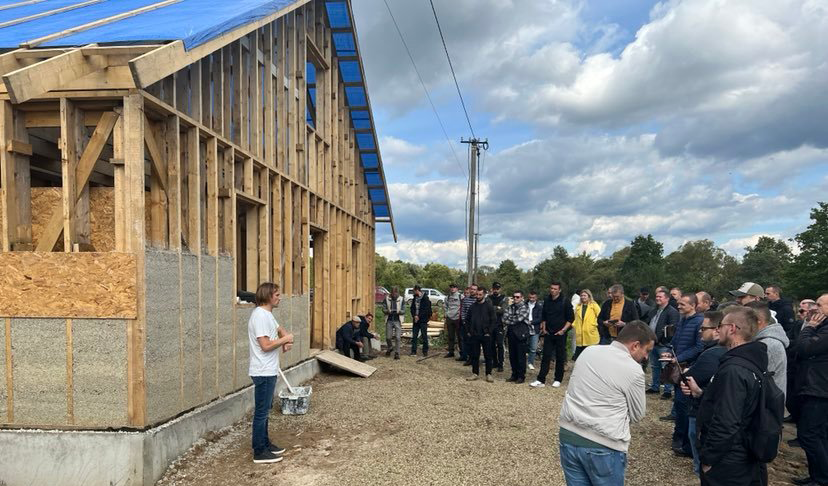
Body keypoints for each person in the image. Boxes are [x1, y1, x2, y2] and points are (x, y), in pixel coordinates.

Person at [558, 321, 655, 486]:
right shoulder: (633, 370)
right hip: (604, 443)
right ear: (635, 345)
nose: (646, 357)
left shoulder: (589, 351)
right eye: (647, 351)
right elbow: (637, 414)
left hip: (569, 435)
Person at [692, 307, 768, 486]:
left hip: (730, 461)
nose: (717, 330)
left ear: (732, 328)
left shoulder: (734, 370)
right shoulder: (752, 360)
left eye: (721, 325)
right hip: (743, 455)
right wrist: (701, 394)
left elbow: (727, 421)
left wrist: (709, 459)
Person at [248, 282, 293, 464]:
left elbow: (279, 329)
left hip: (269, 370)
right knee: (261, 412)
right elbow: (265, 346)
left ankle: (265, 444)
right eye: (276, 295)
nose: (279, 297)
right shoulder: (259, 316)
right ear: (268, 296)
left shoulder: (267, 315)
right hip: (262, 371)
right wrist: (285, 340)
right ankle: (259, 451)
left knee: (265, 411)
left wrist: (284, 339)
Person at [680, 310, 727, 475]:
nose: (699, 332)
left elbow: (689, 378)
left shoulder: (713, 354)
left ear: (716, 330)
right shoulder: (715, 351)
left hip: (701, 411)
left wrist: (686, 371)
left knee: (702, 464)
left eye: (703, 329)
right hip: (708, 409)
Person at [792, 294, 828, 486]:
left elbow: (805, 348)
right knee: (819, 435)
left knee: (809, 435)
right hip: (815, 387)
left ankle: (822, 478)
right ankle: (817, 476)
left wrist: (809, 328)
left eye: (820, 305)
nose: (815, 309)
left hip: (819, 390)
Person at [666, 293, 704, 457]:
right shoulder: (682, 321)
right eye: (678, 304)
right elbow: (675, 341)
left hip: (690, 369)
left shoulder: (699, 322)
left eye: (682, 304)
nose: (679, 306)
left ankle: (685, 441)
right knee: (680, 404)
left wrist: (679, 358)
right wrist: (669, 352)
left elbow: (699, 346)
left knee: (684, 405)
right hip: (678, 368)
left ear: (693, 306)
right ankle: (679, 436)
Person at [530, 281, 575, 389]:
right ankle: (541, 379)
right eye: (551, 288)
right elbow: (544, 316)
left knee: (560, 357)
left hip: (560, 333)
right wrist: (544, 328)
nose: (553, 290)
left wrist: (563, 330)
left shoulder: (565, 301)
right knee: (546, 356)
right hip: (548, 333)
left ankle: (558, 379)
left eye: (555, 289)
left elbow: (571, 318)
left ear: (559, 290)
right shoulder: (547, 300)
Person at [746, 301, 789, 397]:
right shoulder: (761, 342)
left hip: (767, 407)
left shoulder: (769, 345)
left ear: (758, 322)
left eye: (744, 321)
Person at [787, 298, 818, 424]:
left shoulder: (818, 328)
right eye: (799, 310)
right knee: (791, 396)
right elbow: (789, 339)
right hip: (794, 365)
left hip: (807, 368)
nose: (800, 313)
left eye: (802, 310)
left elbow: (806, 345)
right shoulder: (798, 324)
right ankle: (795, 416)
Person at [647, 289, 681, 398]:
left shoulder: (672, 312)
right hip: (653, 343)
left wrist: (663, 340)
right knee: (654, 366)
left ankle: (667, 390)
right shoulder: (653, 311)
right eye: (656, 296)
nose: (657, 298)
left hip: (664, 345)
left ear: (667, 298)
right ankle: (655, 387)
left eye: (660, 297)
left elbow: (673, 329)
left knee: (666, 367)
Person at [465, 286, 497, 382]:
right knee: (475, 355)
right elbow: (467, 320)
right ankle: (475, 373)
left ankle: (488, 374)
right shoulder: (472, 306)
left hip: (486, 335)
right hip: (474, 334)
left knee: (488, 355)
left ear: (484, 295)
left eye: (480, 295)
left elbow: (493, 320)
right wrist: (469, 331)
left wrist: (489, 332)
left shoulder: (489, 306)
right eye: (477, 295)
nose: (478, 296)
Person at [503, 290, 530, 383]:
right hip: (511, 333)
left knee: (521, 356)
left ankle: (521, 376)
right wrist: (512, 319)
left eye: (517, 297)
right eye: (514, 296)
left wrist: (510, 318)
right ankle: (514, 374)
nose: (515, 298)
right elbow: (504, 319)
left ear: (522, 297)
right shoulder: (510, 307)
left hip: (521, 333)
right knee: (512, 355)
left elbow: (520, 318)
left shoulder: (525, 307)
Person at [572, 289, 601, 361]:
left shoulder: (594, 305)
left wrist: (594, 325)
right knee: (578, 358)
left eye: (585, 295)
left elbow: (600, 316)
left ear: (589, 296)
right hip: (580, 335)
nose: (583, 297)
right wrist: (574, 325)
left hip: (590, 334)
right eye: (581, 295)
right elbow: (575, 318)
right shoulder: (578, 306)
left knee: (591, 358)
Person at [382, 287, 405, 360]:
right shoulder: (386, 299)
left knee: (398, 338)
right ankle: (390, 347)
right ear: (391, 293)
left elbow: (404, 310)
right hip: (389, 319)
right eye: (393, 293)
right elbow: (383, 309)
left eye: (395, 293)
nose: (394, 295)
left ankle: (397, 353)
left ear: (398, 293)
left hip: (398, 320)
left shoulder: (401, 299)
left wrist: (398, 311)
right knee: (388, 337)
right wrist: (388, 311)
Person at [410, 285, 432, 357]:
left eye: (414, 291)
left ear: (417, 290)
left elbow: (426, 310)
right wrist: (414, 316)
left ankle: (425, 351)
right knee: (414, 336)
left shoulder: (425, 298)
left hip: (423, 320)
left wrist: (419, 316)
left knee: (424, 335)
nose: (413, 292)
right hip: (415, 320)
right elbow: (412, 308)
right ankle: (413, 351)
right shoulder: (414, 298)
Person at [489, 282, 507, 372]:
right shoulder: (489, 298)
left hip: (500, 324)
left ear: (500, 289)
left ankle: (501, 364)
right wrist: (497, 308)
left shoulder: (504, 298)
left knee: (500, 345)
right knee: (491, 344)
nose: (496, 290)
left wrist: (494, 308)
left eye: (497, 288)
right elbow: (488, 309)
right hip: (490, 325)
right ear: (492, 289)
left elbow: (503, 310)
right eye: (494, 288)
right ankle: (494, 362)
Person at [460, 284, 478, 365]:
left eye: (474, 289)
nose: (472, 290)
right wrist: (464, 320)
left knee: (476, 343)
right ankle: (469, 358)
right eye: (471, 289)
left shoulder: (478, 300)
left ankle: (476, 359)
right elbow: (463, 311)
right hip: (467, 324)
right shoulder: (465, 299)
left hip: (477, 325)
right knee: (468, 342)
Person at [444, 283, 463, 358]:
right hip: (450, 318)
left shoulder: (460, 296)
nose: (452, 289)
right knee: (450, 336)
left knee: (459, 337)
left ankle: (462, 352)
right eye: (451, 287)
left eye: (454, 287)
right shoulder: (448, 297)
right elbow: (445, 306)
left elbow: (463, 306)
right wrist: (446, 314)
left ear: (457, 288)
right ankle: (451, 351)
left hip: (458, 318)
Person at [526, 291, 543, 370]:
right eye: (530, 297)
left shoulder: (539, 306)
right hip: (524, 328)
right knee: (523, 346)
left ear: (536, 298)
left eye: (533, 298)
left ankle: (530, 362)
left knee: (533, 348)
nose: (531, 299)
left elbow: (540, 318)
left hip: (534, 328)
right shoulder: (524, 305)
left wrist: (531, 322)